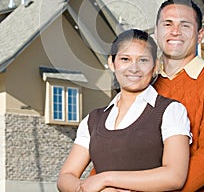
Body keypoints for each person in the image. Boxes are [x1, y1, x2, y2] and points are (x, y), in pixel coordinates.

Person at [57, 29, 192, 192]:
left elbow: (174, 177)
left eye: (143, 60)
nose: (134, 68)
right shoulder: (93, 120)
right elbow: (66, 175)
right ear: (112, 63)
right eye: (125, 59)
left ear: (155, 66)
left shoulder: (171, 111)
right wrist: (84, 189)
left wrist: (106, 179)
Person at [154, 0, 204, 191]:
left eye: (185, 25)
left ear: (200, 35)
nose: (175, 31)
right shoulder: (146, 88)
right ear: (156, 33)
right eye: (168, 24)